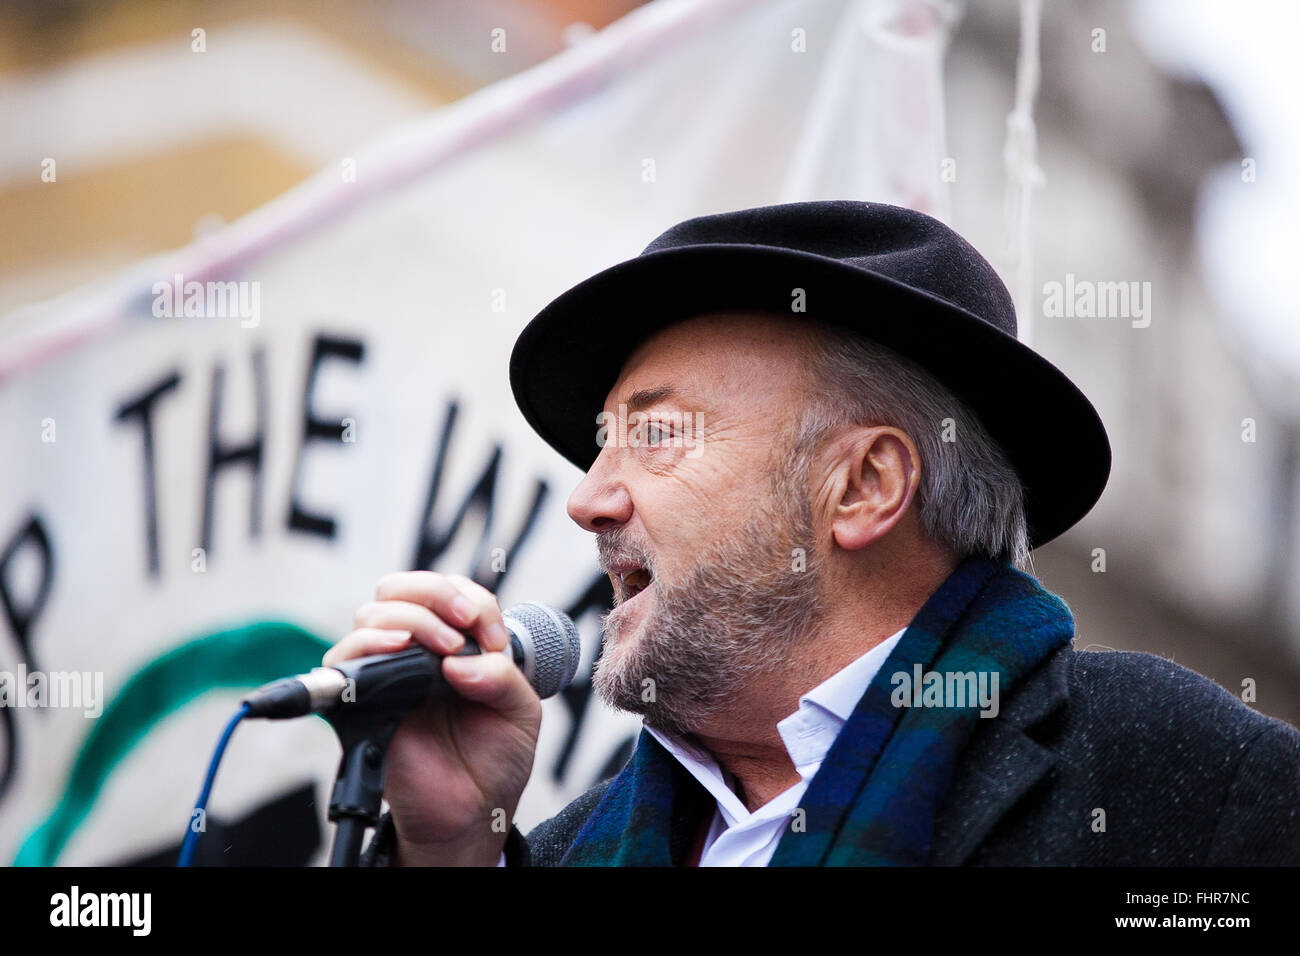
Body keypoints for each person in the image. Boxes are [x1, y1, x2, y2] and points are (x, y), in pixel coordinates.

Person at [330, 201, 1300, 866]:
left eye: (656, 434)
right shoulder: (566, 844)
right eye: (600, 447)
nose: (589, 500)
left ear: (865, 486)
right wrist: (453, 846)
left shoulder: (1181, 776)